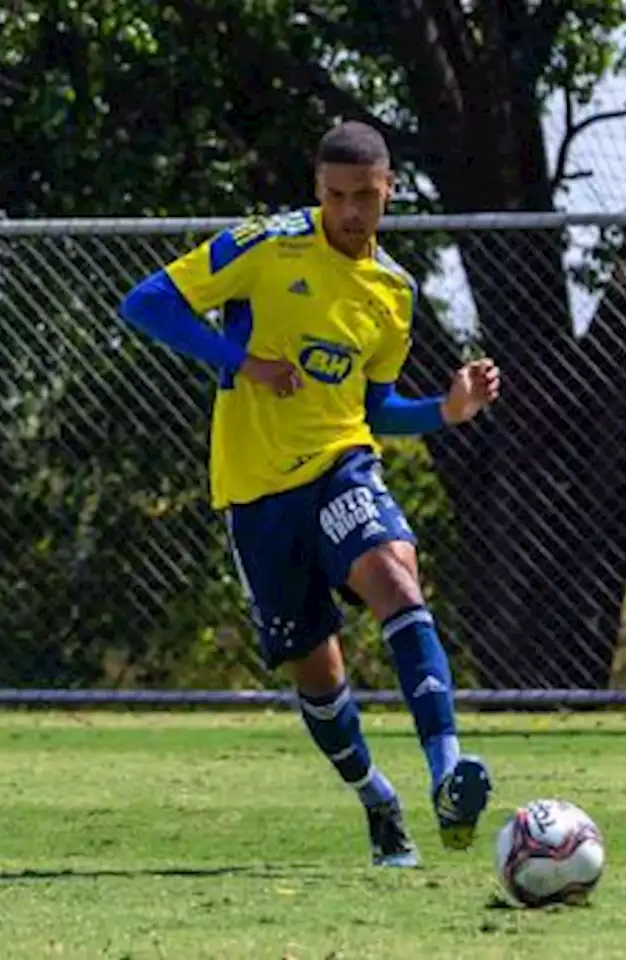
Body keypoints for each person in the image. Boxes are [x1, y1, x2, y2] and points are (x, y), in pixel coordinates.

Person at [118, 120, 500, 868]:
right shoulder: (265, 246)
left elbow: (377, 409)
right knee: (318, 677)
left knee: (396, 579)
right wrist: (241, 361)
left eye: (365, 197)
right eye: (335, 196)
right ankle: (377, 800)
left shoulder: (393, 293)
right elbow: (148, 303)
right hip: (255, 490)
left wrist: (446, 413)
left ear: (390, 191)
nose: (351, 213)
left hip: (340, 466)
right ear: (316, 189)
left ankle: (448, 772)